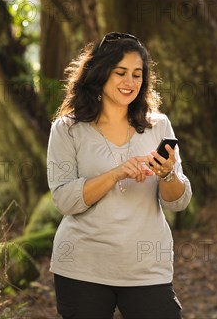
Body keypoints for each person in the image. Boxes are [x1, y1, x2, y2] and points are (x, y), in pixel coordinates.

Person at [46, 32, 192, 319]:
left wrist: (166, 175)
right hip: (82, 266)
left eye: (137, 74)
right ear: (100, 74)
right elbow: (64, 200)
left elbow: (179, 202)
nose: (130, 82)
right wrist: (115, 174)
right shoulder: (67, 129)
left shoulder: (158, 126)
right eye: (121, 72)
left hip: (147, 267)